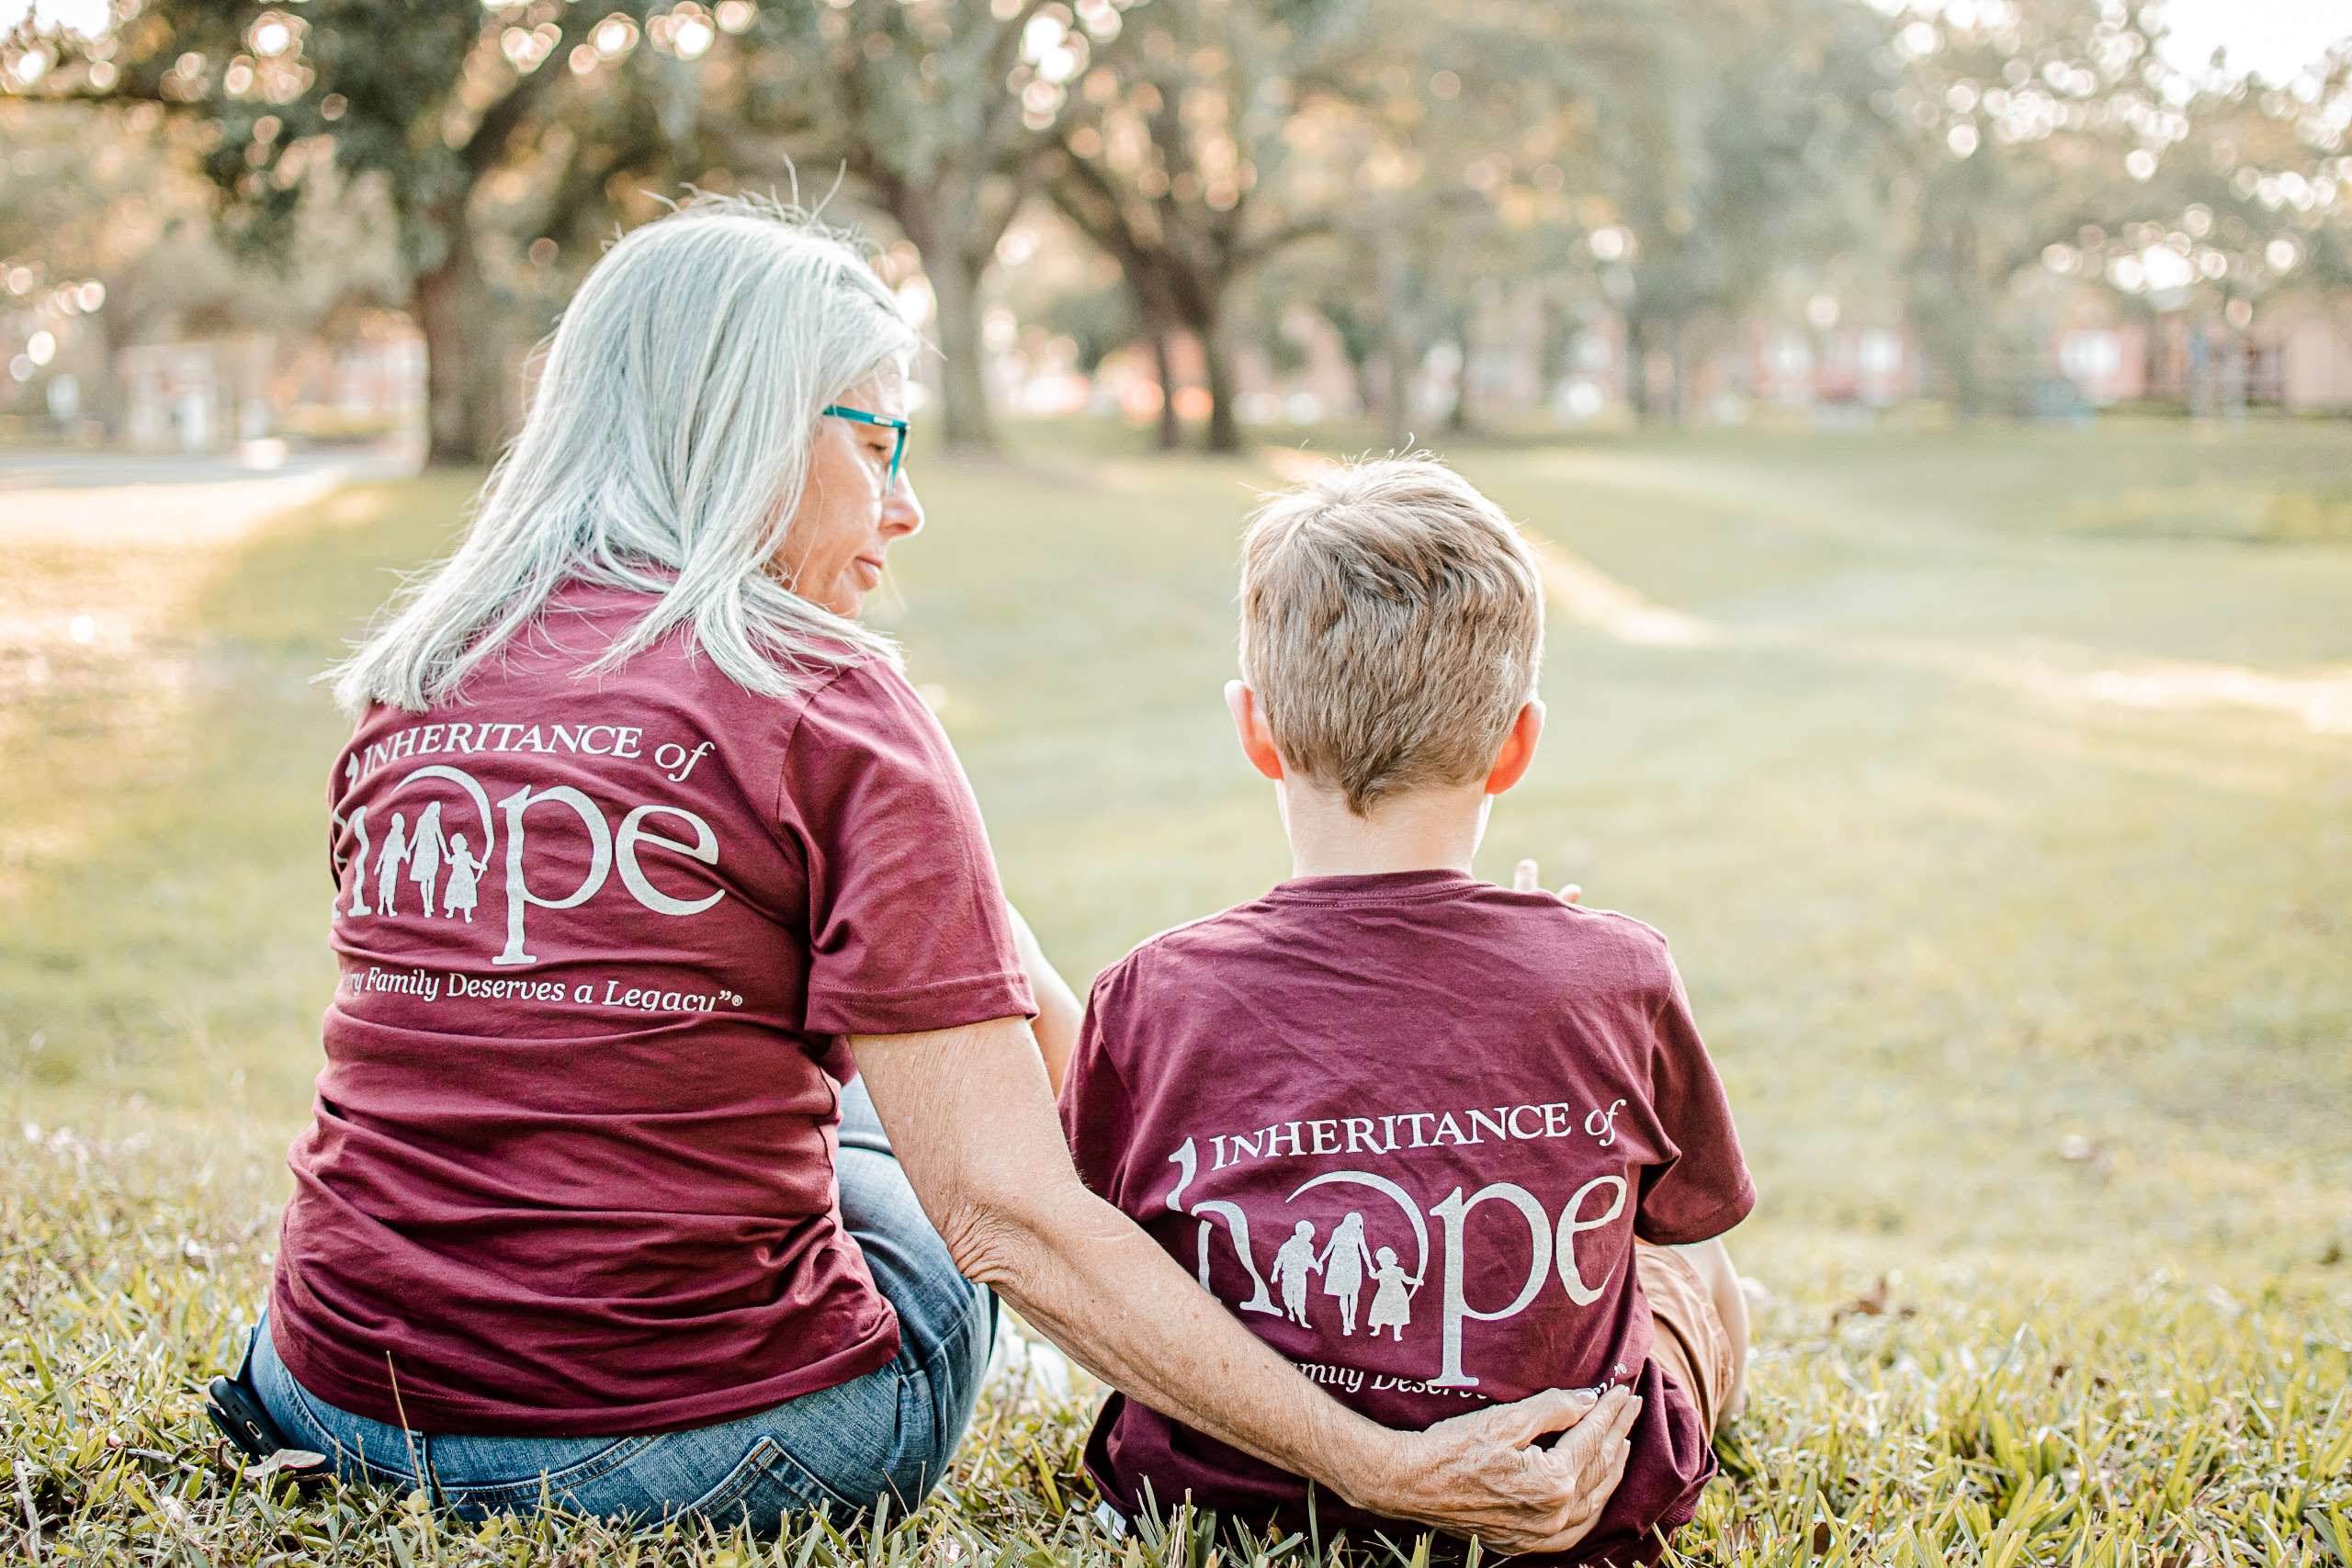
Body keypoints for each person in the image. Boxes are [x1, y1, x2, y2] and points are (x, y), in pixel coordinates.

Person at [215, 196, 1635, 1555]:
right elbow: (1002, 1212)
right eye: (879, 441)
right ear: (755, 428)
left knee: (835, 1030)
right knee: (904, 1130)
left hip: (329, 1391)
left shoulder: (420, 677)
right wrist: (1378, 1458)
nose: (904, 506)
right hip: (697, 1446)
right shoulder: (820, 697)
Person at [1057, 457, 1756, 1564]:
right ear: (1517, 744)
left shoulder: (1150, 995)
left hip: (1220, 1498)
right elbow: (1687, 1212)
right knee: (1696, 1266)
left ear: (1255, 731)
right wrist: (1557, 979)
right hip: (1572, 1495)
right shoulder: (1621, 973)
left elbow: (1097, 1245)